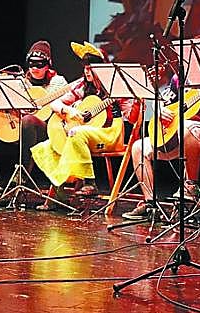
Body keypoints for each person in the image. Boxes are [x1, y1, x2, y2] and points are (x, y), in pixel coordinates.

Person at [121, 66, 200, 221]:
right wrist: (159, 110)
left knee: (187, 127)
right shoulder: (179, 78)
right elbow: (161, 102)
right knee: (139, 147)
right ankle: (151, 205)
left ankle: (190, 186)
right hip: (184, 137)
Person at [31, 41, 139, 206]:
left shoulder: (115, 86)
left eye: (91, 68)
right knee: (47, 146)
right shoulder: (82, 86)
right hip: (86, 135)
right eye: (85, 68)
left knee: (76, 133)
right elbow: (55, 104)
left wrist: (137, 101)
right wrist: (69, 111)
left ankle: (90, 182)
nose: (87, 71)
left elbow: (131, 118)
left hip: (110, 133)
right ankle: (59, 192)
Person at [0, 40, 68, 204]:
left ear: (48, 65)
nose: (34, 68)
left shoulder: (58, 82)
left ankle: (22, 176)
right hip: (16, 134)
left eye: (39, 64)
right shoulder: (18, 83)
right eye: (31, 64)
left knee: (28, 120)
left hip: (43, 135)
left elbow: (61, 106)